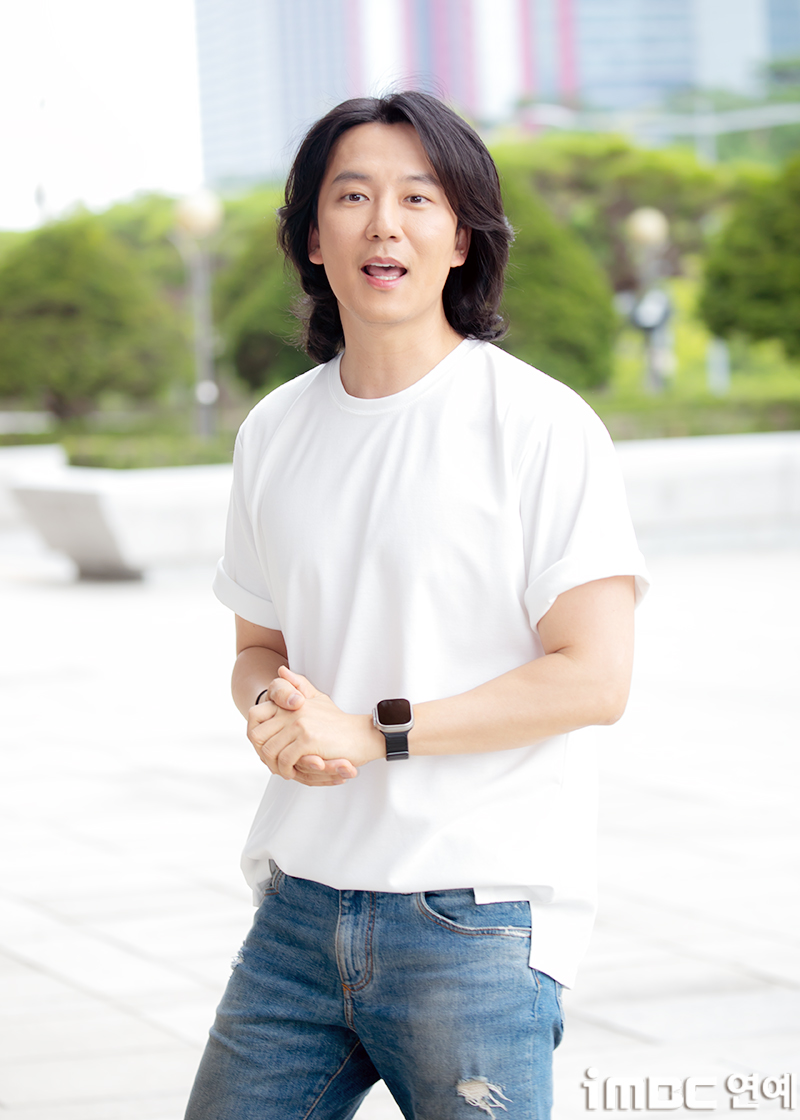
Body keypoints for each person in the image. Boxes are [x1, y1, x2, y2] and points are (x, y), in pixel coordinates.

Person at [184, 90, 649, 1120]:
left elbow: (594, 676)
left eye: (417, 197)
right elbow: (258, 645)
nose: (383, 224)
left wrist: (370, 731)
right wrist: (273, 714)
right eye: (352, 196)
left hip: (472, 918)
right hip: (299, 911)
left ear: (461, 236)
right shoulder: (274, 430)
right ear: (313, 237)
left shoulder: (538, 424)